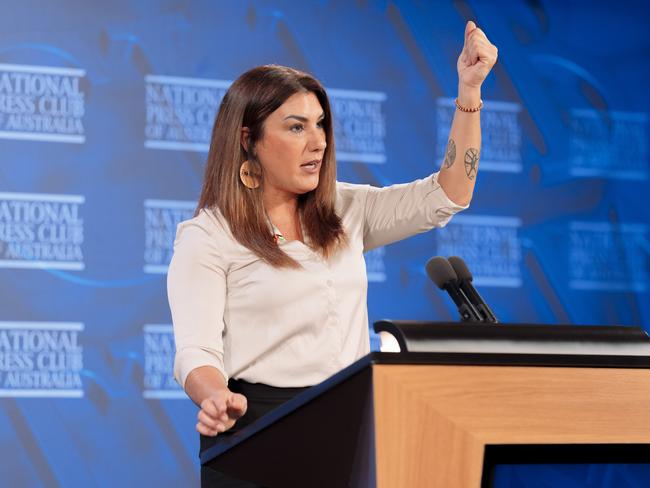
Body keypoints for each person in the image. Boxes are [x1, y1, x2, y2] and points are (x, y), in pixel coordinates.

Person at [168, 20, 497, 487]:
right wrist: (215, 396)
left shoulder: (346, 209)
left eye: (321, 124)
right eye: (296, 127)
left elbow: (446, 195)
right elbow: (196, 351)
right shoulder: (207, 236)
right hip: (256, 431)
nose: (318, 141)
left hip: (349, 423)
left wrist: (469, 92)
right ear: (248, 140)